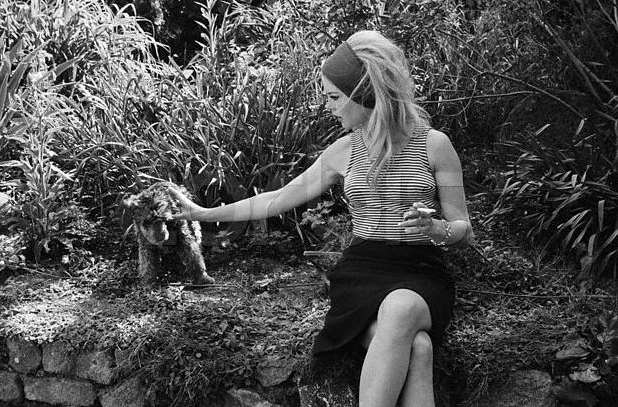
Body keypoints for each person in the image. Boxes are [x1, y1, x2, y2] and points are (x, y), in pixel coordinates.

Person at [168, 30, 474, 407]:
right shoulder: (343, 151)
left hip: (422, 274)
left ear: (366, 94)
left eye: (334, 97)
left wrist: (437, 229)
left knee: (402, 308)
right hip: (363, 274)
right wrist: (204, 213)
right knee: (419, 347)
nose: (328, 107)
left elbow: (463, 230)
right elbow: (277, 199)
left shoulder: (435, 145)